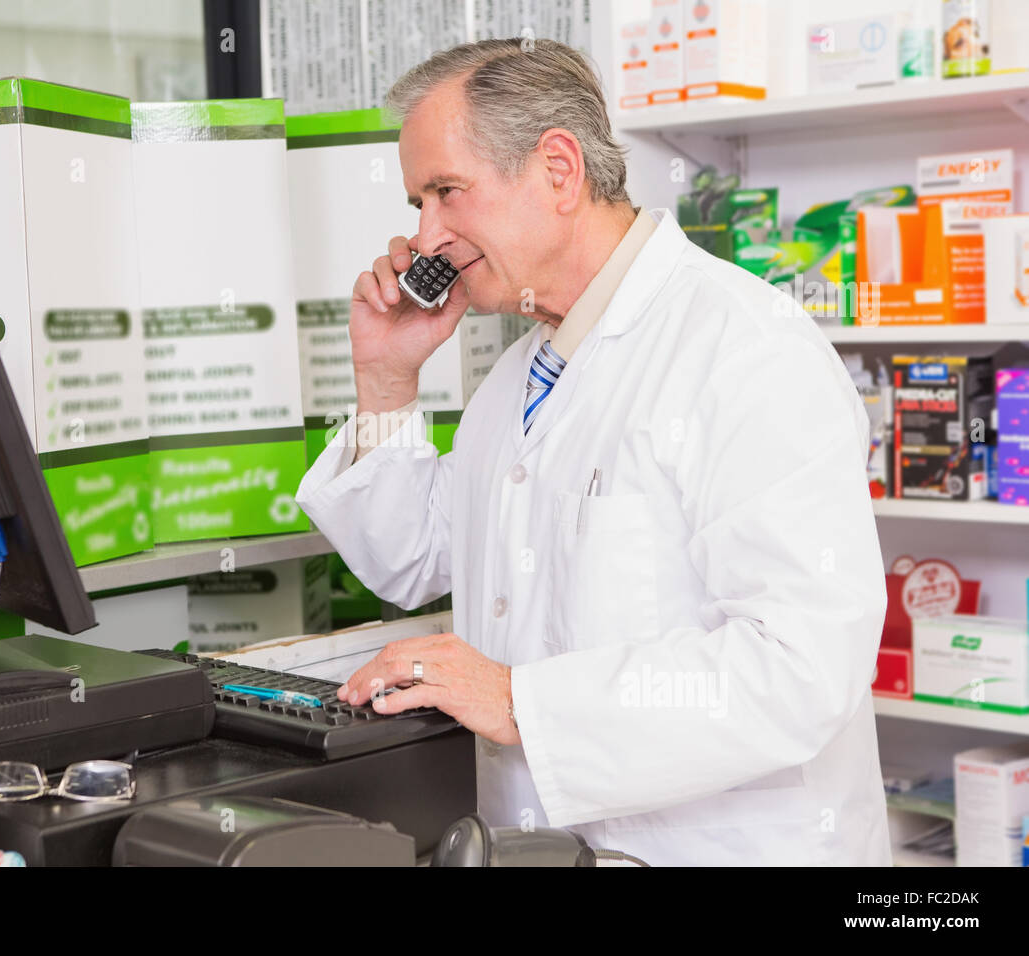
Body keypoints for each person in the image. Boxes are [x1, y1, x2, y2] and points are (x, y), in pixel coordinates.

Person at [294, 38, 890, 866]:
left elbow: (803, 667)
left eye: (445, 192)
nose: (424, 237)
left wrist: (520, 701)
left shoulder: (747, 348)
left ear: (560, 170)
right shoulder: (519, 376)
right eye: (416, 204)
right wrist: (386, 383)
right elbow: (414, 559)